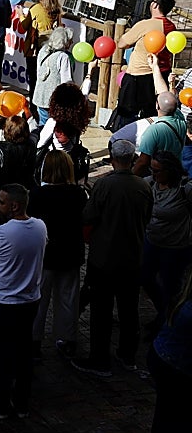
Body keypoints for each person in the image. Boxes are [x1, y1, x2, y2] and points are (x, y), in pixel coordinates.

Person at [74, 138, 154, 378]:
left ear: (112, 158)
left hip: (105, 258)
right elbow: (147, 217)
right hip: (132, 257)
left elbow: (88, 216)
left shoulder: (105, 185)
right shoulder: (143, 187)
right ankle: (127, 355)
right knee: (129, 309)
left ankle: (100, 359)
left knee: (101, 310)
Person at [0, 183, 48, 420]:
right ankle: (21, 402)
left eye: (1, 202)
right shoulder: (40, 227)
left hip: (3, 302)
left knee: (2, 353)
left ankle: (0, 403)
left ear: (15, 206)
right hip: (29, 301)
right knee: (23, 352)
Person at [30, 150, 88, 359]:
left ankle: (34, 341)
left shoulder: (37, 194)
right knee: (68, 298)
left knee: (38, 299)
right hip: (70, 252)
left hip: (45, 254)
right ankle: (67, 339)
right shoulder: (78, 194)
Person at [139, 150, 192, 332]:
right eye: (151, 169)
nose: (153, 174)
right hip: (152, 241)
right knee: (145, 278)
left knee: (171, 287)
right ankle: (163, 312)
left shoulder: (185, 189)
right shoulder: (150, 183)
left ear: (170, 170)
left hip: (175, 247)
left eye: (157, 170)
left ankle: (166, 322)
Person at [149, 270, 192, 433]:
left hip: (165, 359)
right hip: (172, 366)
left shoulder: (185, 300)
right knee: (173, 421)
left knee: (166, 417)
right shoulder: (187, 312)